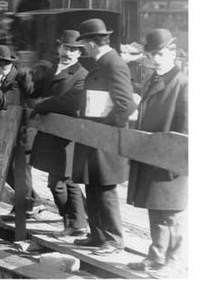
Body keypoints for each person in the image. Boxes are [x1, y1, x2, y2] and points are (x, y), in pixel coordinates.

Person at [72, 18, 137, 256]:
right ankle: (97, 234)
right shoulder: (103, 63)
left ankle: (113, 238)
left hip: (105, 140)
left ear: (90, 43)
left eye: (84, 44)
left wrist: (105, 132)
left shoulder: (113, 64)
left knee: (106, 190)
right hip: (93, 137)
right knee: (93, 187)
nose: (84, 49)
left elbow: (125, 105)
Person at [126, 29, 188, 276]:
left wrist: (177, 163)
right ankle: (156, 255)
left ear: (172, 52)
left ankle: (173, 262)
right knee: (156, 208)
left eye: (160, 54)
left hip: (172, 159)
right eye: (151, 55)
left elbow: (185, 127)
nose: (155, 59)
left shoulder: (183, 83)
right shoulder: (154, 78)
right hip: (153, 154)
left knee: (171, 212)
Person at [29, 30, 88, 235]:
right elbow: (33, 91)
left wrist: (42, 104)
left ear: (79, 53)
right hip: (49, 134)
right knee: (61, 182)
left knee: (61, 182)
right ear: (58, 48)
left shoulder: (81, 75)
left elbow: (69, 102)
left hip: (66, 137)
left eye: (73, 49)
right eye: (65, 47)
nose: (68, 53)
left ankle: (76, 223)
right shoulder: (51, 69)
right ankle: (75, 222)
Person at [0, 44, 45, 217]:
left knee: (19, 169)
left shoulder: (18, 79)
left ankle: (32, 203)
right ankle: (30, 202)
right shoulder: (2, 78)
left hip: (24, 131)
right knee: (7, 170)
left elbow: (5, 103)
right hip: (11, 131)